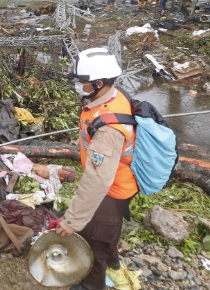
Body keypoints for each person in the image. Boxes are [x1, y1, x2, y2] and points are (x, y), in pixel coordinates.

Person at [57, 48, 136, 290]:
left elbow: (97, 180)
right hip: (118, 180)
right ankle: (113, 261)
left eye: (81, 83)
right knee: (107, 232)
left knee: (94, 243)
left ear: (98, 83)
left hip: (111, 189)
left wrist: (72, 221)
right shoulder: (112, 95)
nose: (78, 87)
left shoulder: (109, 131)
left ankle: (92, 284)